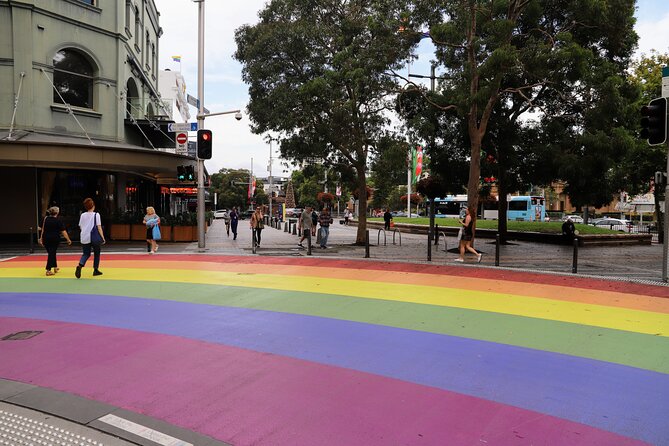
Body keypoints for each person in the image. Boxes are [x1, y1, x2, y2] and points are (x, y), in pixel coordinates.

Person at [75, 197, 105, 278]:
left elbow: (81, 226)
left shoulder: (82, 215)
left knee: (86, 253)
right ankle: (95, 269)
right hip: (94, 237)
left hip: (85, 236)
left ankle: (80, 265)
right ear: (93, 206)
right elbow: (99, 227)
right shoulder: (96, 215)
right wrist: (102, 237)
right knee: (97, 254)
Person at [39, 206, 72, 276]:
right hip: (54, 239)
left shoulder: (45, 219)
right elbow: (63, 231)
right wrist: (68, 239)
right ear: (57, 213)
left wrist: (41, 238)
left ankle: (55, 267)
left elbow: (41, 229)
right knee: (51, 253)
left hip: (46, 239)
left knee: (51, 253)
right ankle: (48, 270)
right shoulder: (58, 221)